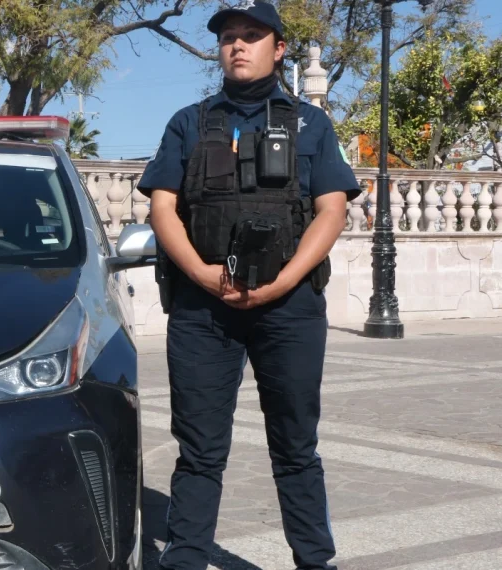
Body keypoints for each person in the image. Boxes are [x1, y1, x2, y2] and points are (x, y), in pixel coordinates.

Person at [135, 2, 361, 569]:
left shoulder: (312, 124)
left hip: (289, 308)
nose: (237, 45)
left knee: (295, 446)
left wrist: (283, 280)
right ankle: (184, 558)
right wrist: (202, 274)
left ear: (278, 48)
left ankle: (315, 560)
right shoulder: (189, 122)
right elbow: (163, 209)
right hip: (203, 307)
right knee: (200, 449)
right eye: (228, 37)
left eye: (252, 36)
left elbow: (331, 211)